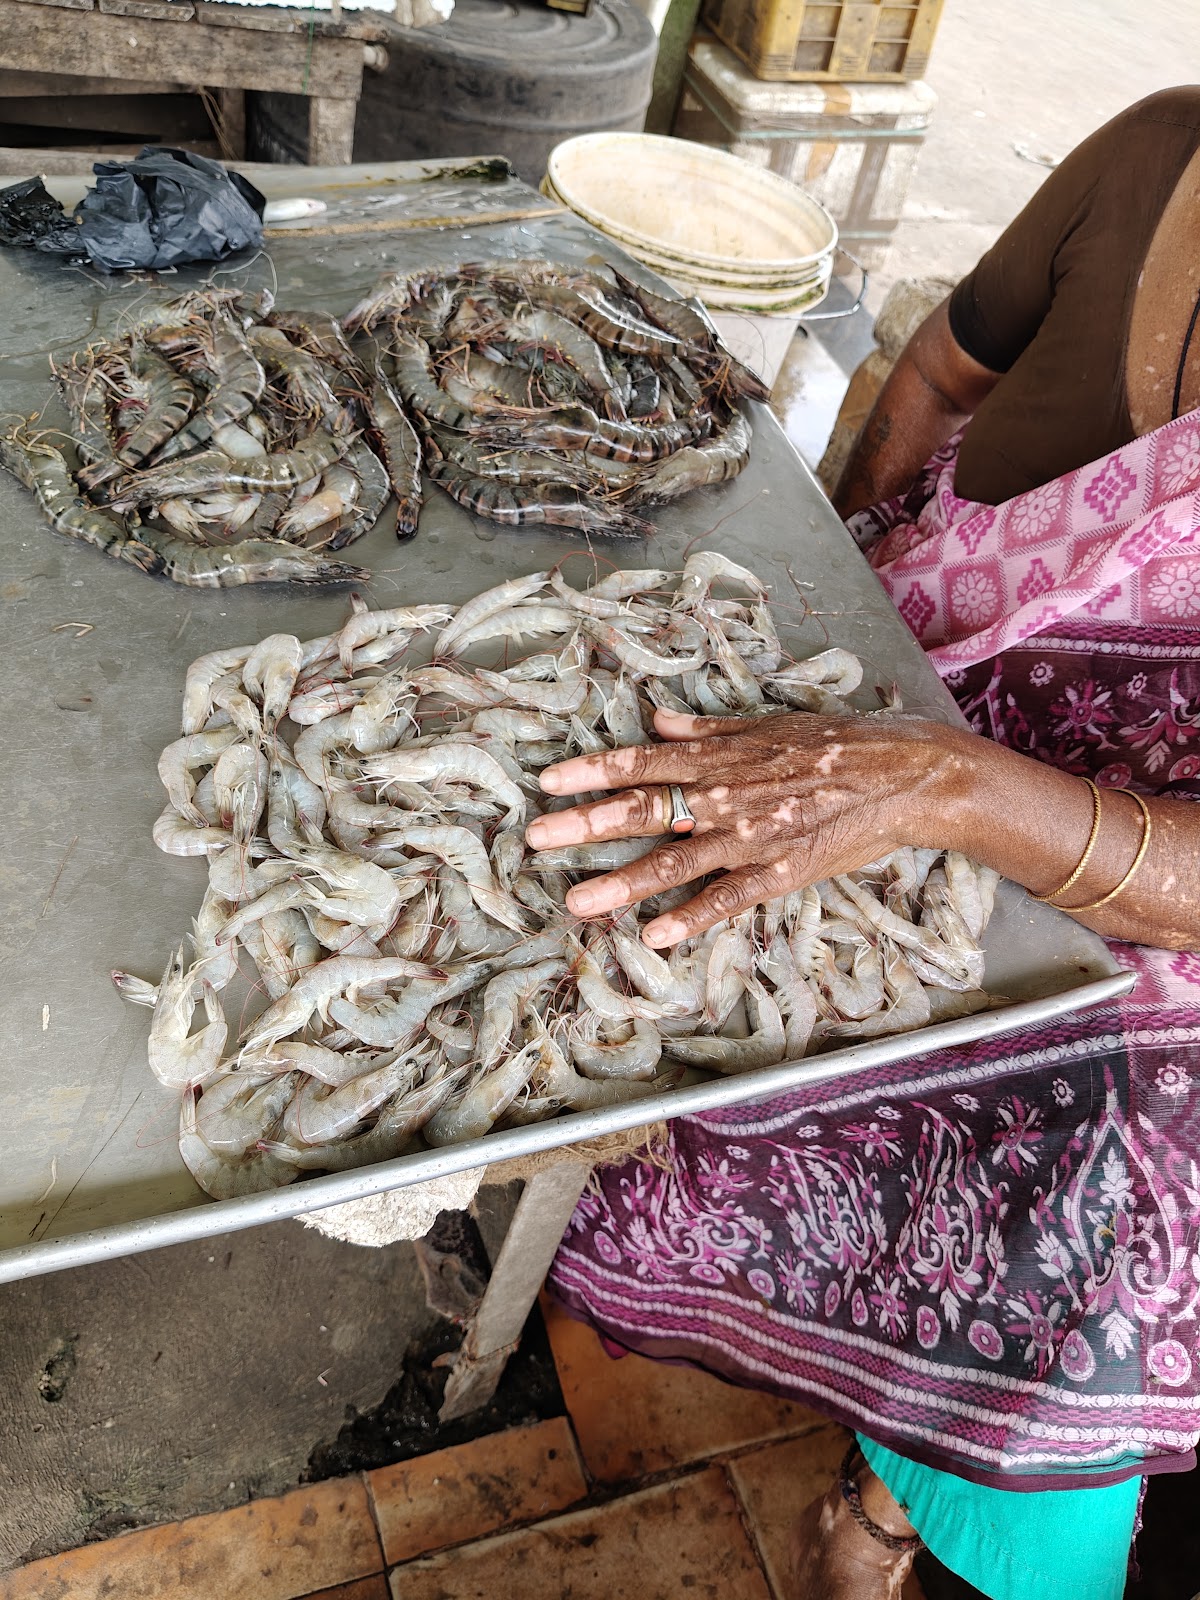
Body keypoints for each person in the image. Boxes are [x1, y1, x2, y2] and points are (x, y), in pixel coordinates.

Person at [530, 87, 1200, 1600]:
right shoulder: (1158, 151)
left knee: (1114, 1208)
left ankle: (913, 1510)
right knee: (620, 908)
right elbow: (942, 369)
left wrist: (943, 789)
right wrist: (824, 587)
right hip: (915, 684)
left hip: (1140, 861)